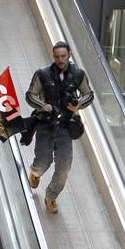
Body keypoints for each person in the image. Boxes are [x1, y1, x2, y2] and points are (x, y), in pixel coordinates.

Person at [25, 40, 93, 214]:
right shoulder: (42, 74)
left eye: (63, 56)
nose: (60, 59)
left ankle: (51, 196)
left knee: (64, 167)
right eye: (57, 56)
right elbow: (30, 95)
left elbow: (88, 94)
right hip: (45, 124)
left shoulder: (78, 74)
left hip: (66, 127)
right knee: (43, 161)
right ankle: (35, 172)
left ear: (69, 54)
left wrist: (78, 105)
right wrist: (43, 105)